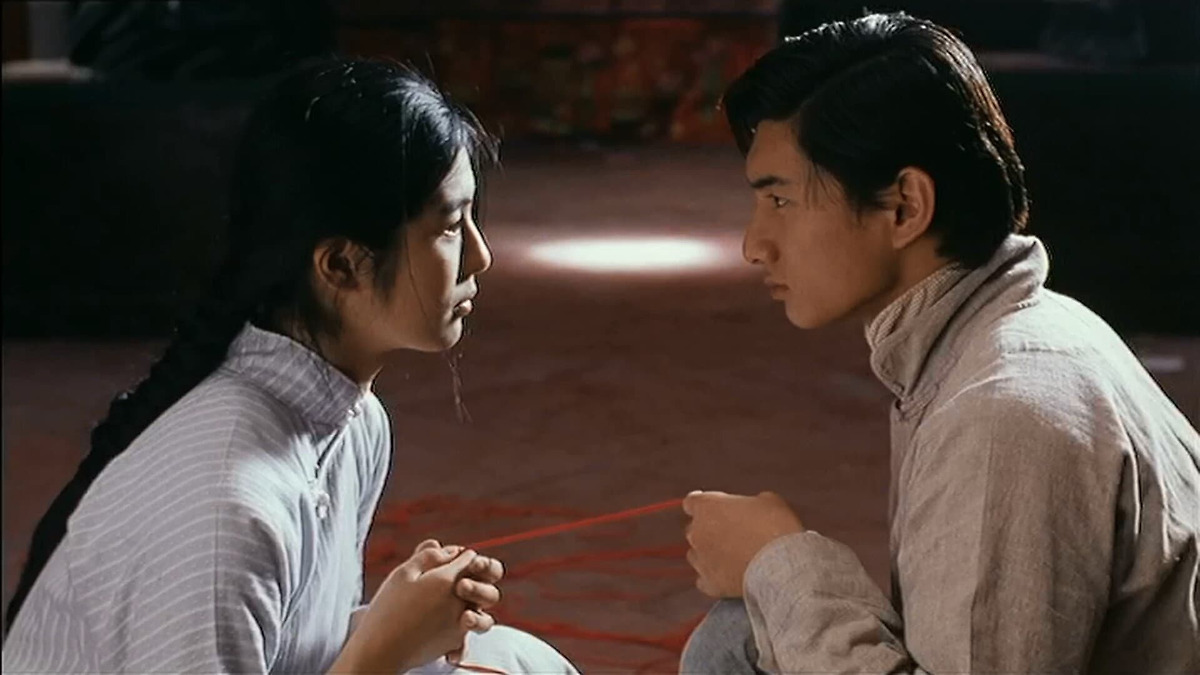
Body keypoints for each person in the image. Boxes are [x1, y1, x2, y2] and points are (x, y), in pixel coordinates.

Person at [2, 58, 578, 675]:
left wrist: (406, 620)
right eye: (449, 227)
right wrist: (383, 649)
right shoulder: (228, 508)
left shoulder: (357, 424)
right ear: (341, 265)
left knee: (514, 660)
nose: (480, 257)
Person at [679, 12, 1200, 674]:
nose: (754, 245)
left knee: (750, 630)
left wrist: (780, 561)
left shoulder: (1002, 413)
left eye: (780, 201)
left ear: (904, 207)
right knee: (741, 633)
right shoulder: (1007, 337)